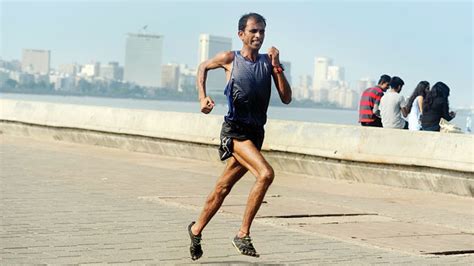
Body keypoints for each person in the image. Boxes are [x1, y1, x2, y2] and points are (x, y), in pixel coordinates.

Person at [188, 12, 292, 260]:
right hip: (234, 132)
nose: (258, 36)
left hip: (256, 134)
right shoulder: (230, 59)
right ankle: (242, 234)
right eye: (254, 31)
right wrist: (202, 97)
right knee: (266, 174)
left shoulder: (269, 62)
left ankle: (195, 229)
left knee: (223, 188)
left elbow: (286, 98)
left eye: (262, 32)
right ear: (241, 34)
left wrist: (277, 66)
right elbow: (203, 66)